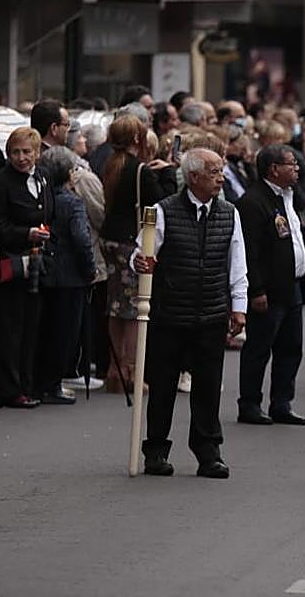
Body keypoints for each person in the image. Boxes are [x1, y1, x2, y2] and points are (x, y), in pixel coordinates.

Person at [132, 149, 247, 479]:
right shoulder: (163, 211)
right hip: (170, 313)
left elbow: (236, 264)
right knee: (164, 385)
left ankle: (208, 451)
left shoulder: (229, 213)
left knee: (208, 387)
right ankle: (155, 449)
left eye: (222, 171)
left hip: (210, 312)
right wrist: (139, 262)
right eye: (214, 172)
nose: (220, 178)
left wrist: (238, 307)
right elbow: (144, 251)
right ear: (194, 177)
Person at [235, 144, 305, 426]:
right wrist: (255, 290)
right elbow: (250, 251)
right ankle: (249, 403)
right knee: (259, 348)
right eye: (291, 164)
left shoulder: (288, 196)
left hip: (291, 285)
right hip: (267, 288)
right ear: (273, 169)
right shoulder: (253, 202)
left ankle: (282, 402)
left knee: (291, 347)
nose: (297, 168)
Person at [0, 127, 52, 409]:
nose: (20, 158)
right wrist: (27, 233)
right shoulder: (0, 182)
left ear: (37, 153)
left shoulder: (43, 178)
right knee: (7, 330)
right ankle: (8, 390)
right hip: (8, 265)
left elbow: (50, 212)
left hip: (35, 265)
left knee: (30, 327)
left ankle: (26, 384)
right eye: (15, 152)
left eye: (26, 152)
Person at [99, 113, 169, 392]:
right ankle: (130, 370)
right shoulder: (140, 169)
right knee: (132, 306)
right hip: (130, 239)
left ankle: (114, 368)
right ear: (138, 139)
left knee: (115, 305)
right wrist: (167, 172)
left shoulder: (110, 164)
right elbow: (160, 201)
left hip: (109, 237)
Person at [37, 146, 96, 402]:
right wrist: (90, 269)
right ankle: (53, 384)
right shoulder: (73, 203)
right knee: (66, 333)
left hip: (46, 271)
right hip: (71, 275)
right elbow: (82, 239)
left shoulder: (42, 198)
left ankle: (42, 382)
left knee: (45, 329)